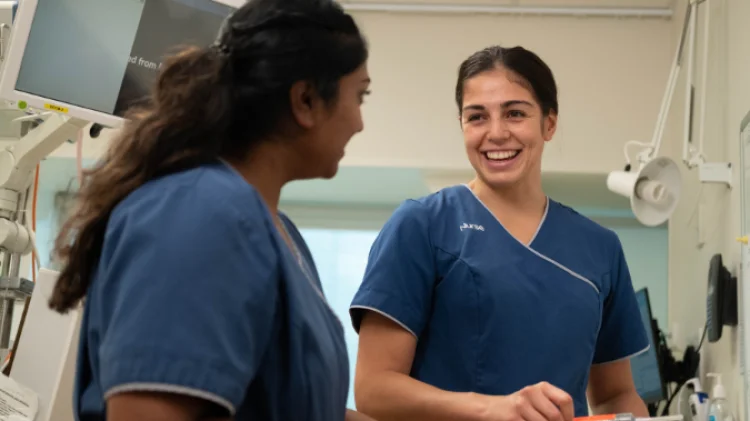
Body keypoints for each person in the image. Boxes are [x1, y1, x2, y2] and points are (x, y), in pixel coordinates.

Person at [47, 0, 375, 420]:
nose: (360, 122)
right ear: (306, 100)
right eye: (359, 96)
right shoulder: (199, 214)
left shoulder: (275, 230)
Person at [349, 45, 650, 421]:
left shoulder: (599, 248)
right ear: (461, 125)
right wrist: (493, 409)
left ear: (549, 123)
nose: (496, 133)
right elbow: (374, 389)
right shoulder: (422, 225)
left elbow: (616, 396)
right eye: (477, 117)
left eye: (515, 113)